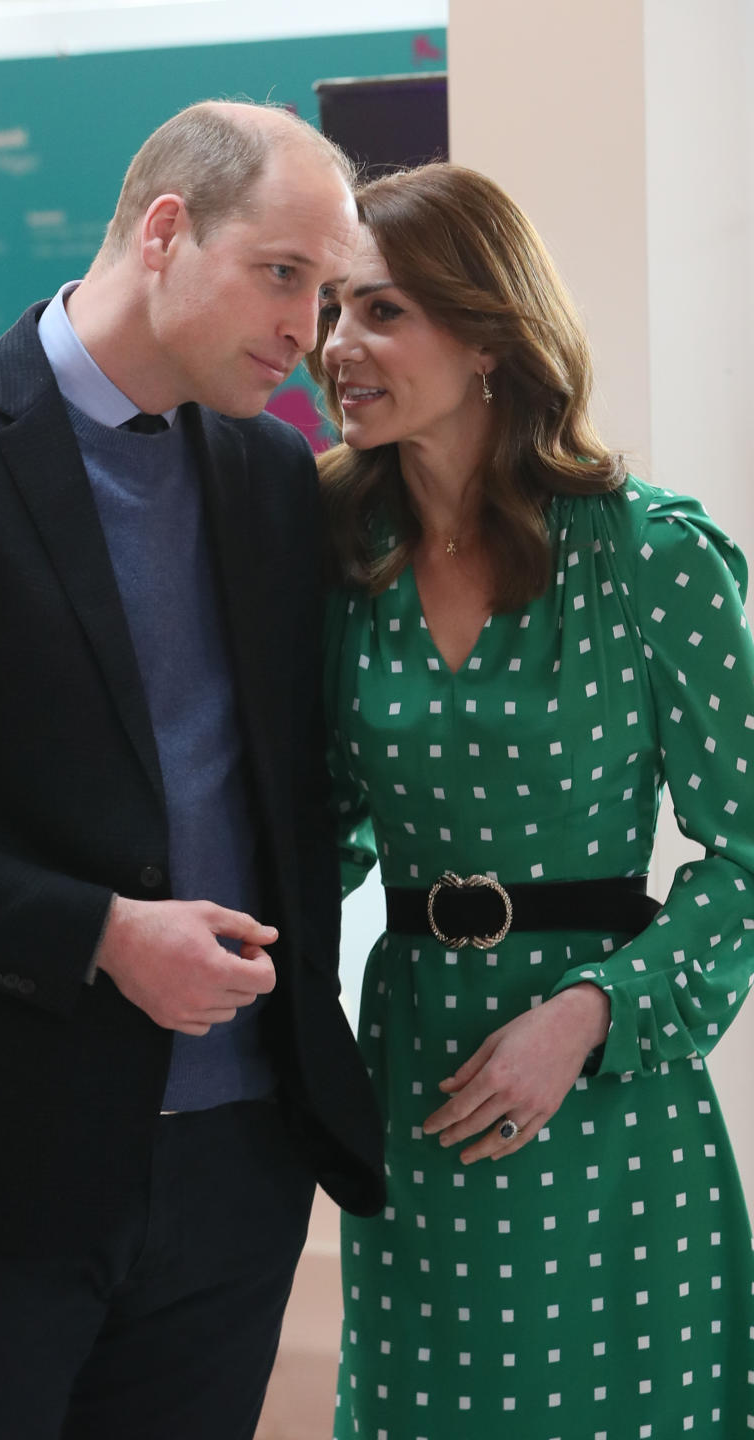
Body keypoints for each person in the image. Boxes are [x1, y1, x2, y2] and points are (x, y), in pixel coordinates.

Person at [0, 100, 384, 1440]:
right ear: (167, 230)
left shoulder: (271, 473)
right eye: (284, 275)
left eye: (332, 293)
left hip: (239, 1162)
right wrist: (100, 935)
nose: (311, 333)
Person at [310, 161, 754, 1438]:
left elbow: (746, 854)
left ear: (491, 337)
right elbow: (320, 828)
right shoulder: (339, 555)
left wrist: (592, 1015)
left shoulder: (651, 556)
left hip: (609, 1088)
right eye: (333, 308)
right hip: (414, 1072)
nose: (338, 344)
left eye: (381, 310)